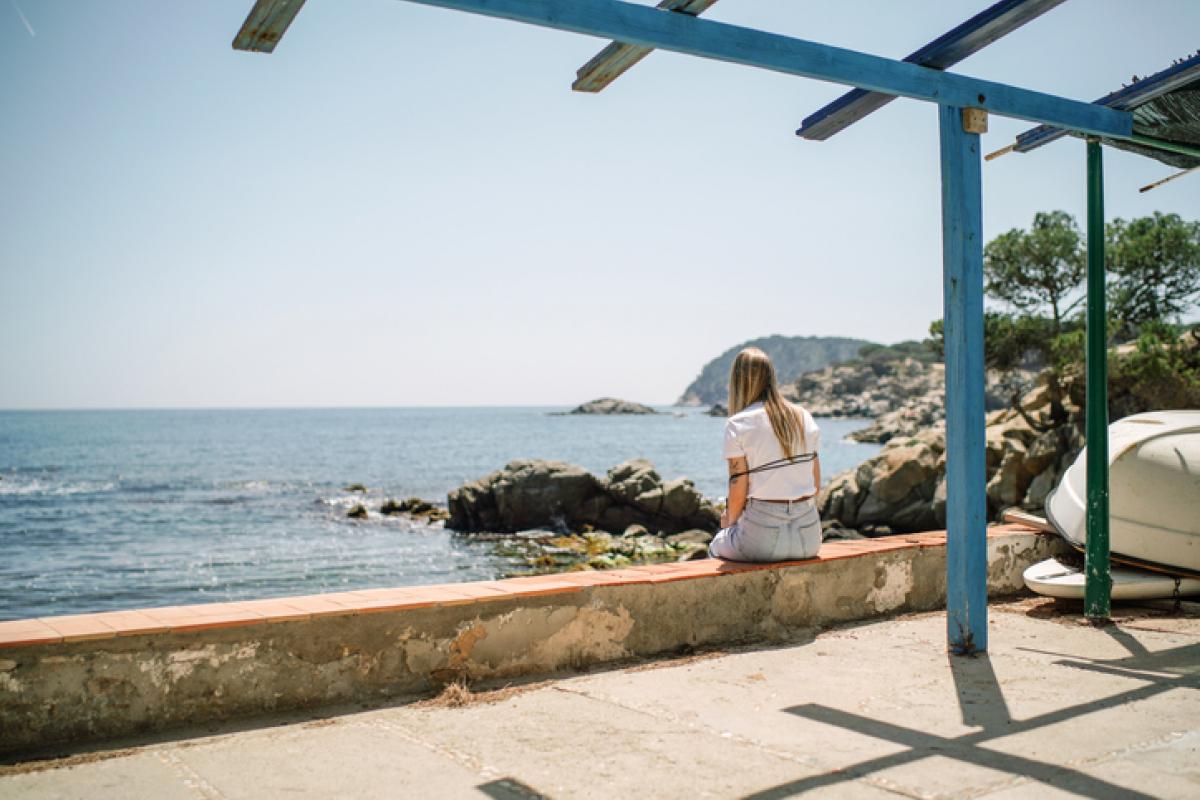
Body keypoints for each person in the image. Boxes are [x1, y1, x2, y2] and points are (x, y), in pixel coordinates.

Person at [708, 347, 822, 562]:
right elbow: (815, 484)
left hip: (762, 539)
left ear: (738, 382)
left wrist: (729, 521)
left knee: (716, 546)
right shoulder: (804, 416)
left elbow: (738, 487)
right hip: (809, 537)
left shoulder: (738, 423)